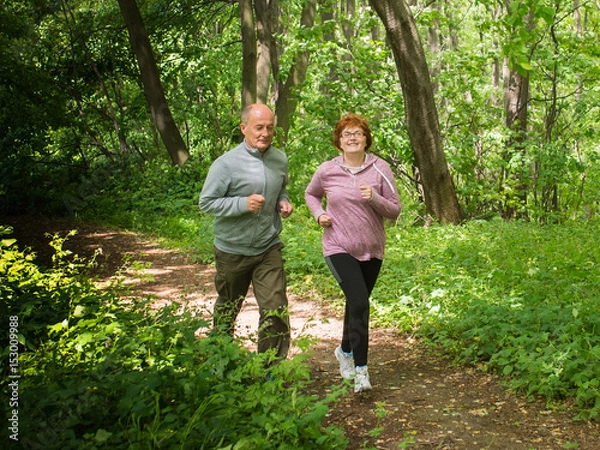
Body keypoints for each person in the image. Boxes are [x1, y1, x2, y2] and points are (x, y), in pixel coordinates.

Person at [305, 113, 400, 392]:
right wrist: (319, 214)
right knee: (360, 302)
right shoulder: (327, 170)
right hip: (338, 246)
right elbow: (311, 195)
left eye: (358, 133)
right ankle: (361, 372)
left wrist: (376, 198)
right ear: (339, 141)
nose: (353, 138)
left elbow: (395, 209)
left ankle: (345, 350)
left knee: (355, 304)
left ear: (366, 139)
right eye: (347, 134)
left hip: (372, 249)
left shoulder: (380, 168)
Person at [199, 103, 293, 362]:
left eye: (270, 128)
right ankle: (220, 361)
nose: (265, 133)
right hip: (232, 250)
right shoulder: (226, 164)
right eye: (259, 127)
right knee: (228, 309)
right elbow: (206, 202)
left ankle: (270, 369)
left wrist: (282, 202)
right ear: (244, 129)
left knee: (275, 309)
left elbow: (280, 188)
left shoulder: (279, 159)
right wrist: (242, 203)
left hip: (268, 246)